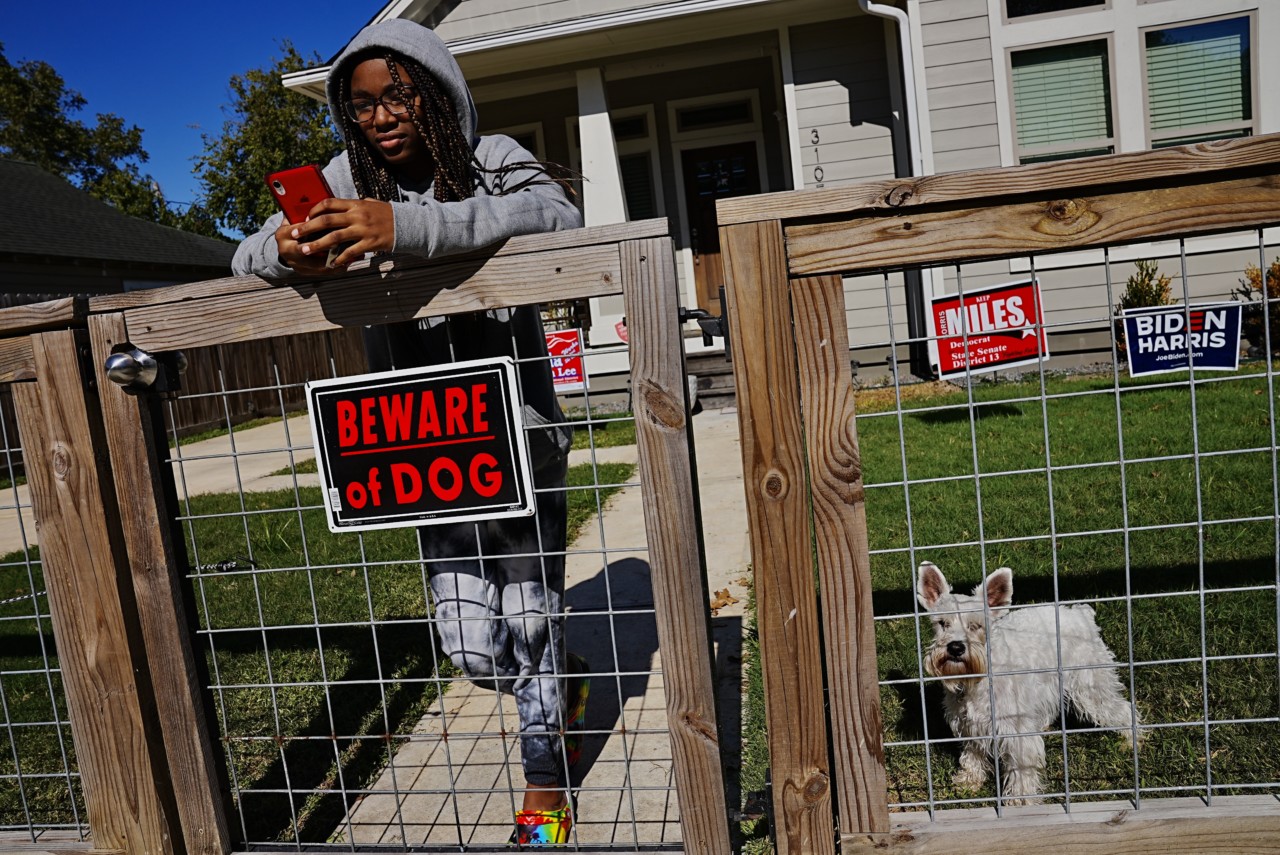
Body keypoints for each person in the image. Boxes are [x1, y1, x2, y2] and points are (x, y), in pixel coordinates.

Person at [232, 18, 588, 846]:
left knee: (532, 620)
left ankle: (544, 787)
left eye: (399, 94)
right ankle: (564, 680)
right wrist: (291, 249)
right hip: (419, 451)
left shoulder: (493, 157)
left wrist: (406, 228)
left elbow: (561, 217)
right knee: (471, 645)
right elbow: (246, 258)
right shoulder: (342, 178)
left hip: (518, 442)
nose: (382, 116)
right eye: (362, 104)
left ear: (434, 90)